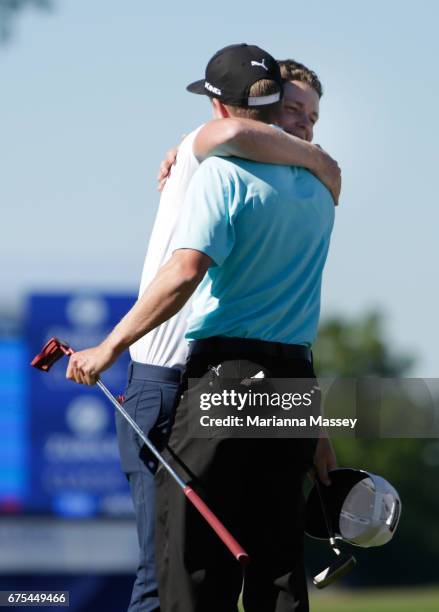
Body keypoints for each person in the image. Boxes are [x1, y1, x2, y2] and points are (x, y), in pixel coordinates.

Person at [66, 43, 339, 612]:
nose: (305, 129)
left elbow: (186, 271)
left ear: (219, 108)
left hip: (193, 378)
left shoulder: (217, 165)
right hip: (287, 380)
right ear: (272, 108)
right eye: (297, 114)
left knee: (176, 574)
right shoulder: (321, 187)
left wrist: (109, 346)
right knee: (277, 566)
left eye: (312, 120)